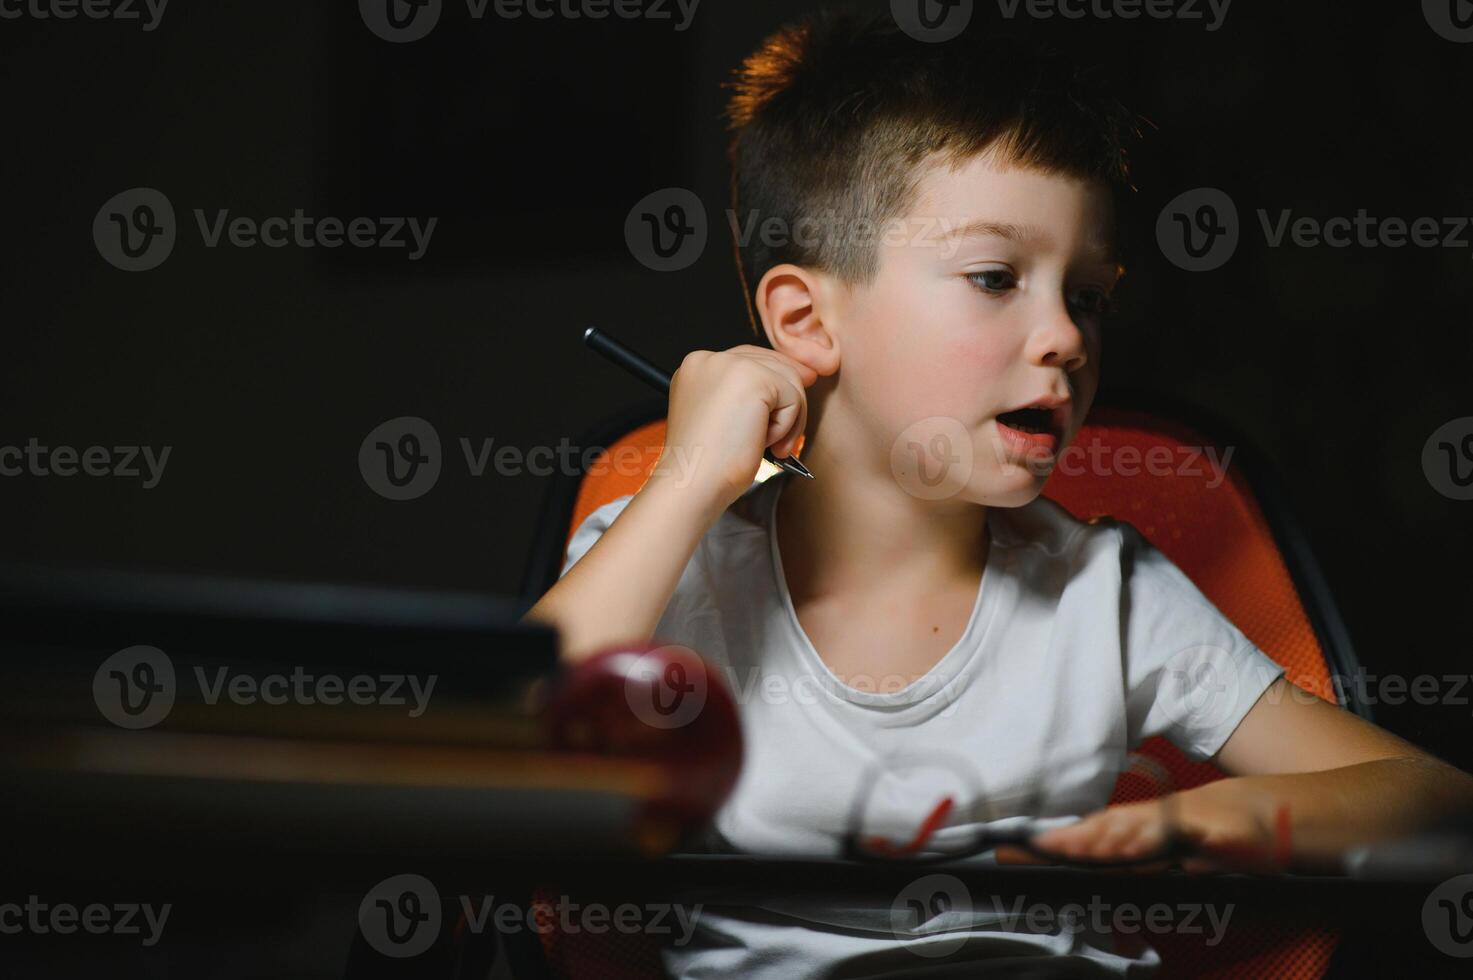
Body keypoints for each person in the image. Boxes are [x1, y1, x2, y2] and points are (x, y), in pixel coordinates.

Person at [524, 9, 1473, 975]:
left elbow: (1436, 797)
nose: (1067, 336)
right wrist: (690, 479)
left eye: (1089, 295)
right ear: (805, 322)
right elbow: (502, 752)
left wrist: (1224, 814)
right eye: (993, 276)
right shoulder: (676, 569)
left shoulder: (1103, 595)